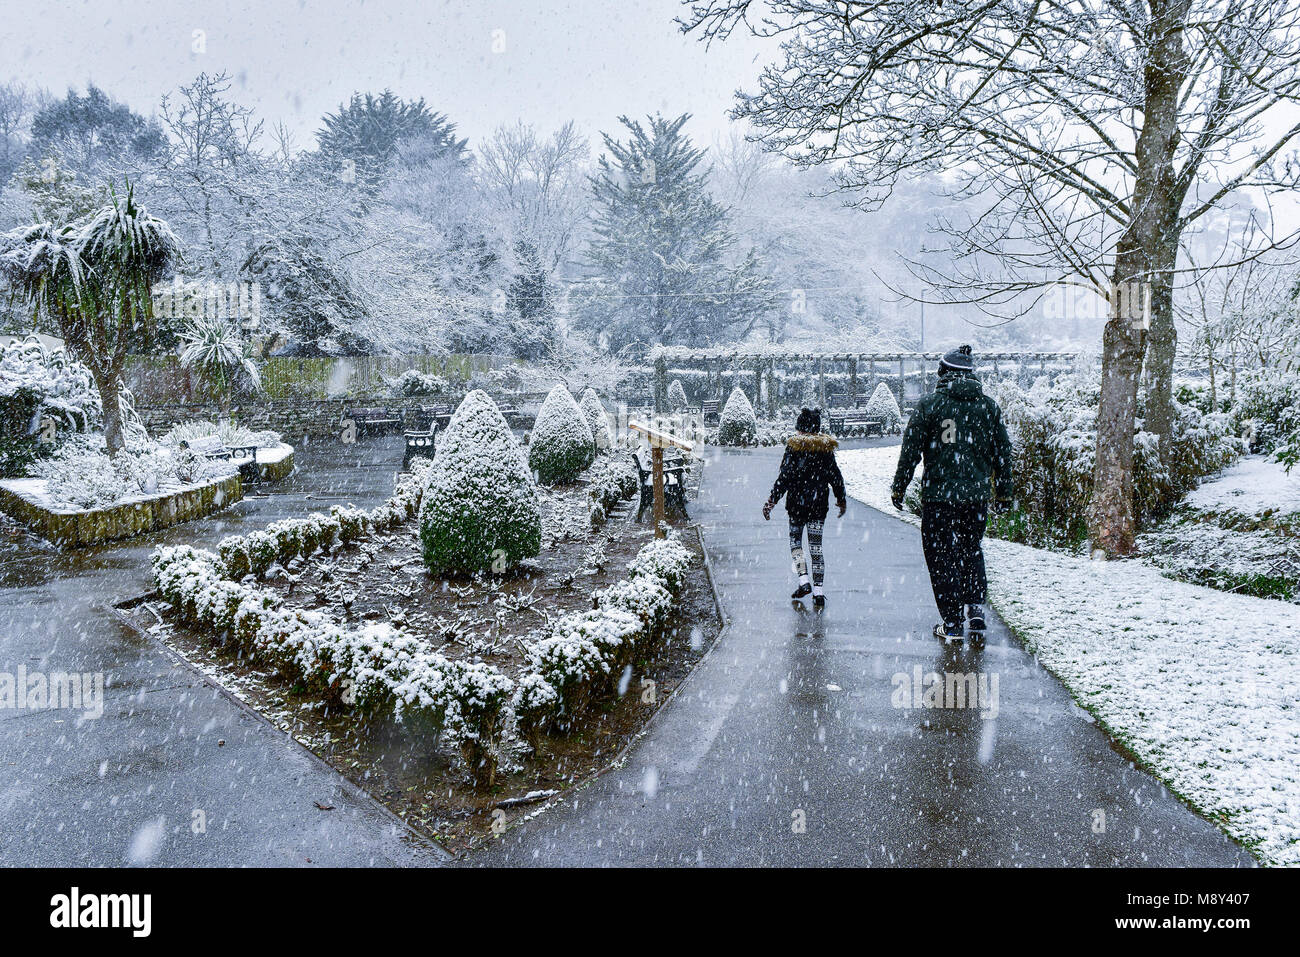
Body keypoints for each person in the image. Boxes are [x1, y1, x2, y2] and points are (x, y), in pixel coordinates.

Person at [891, 345, 1013, 643]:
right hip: (976, 498)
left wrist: (899, 486)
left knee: (941, 556)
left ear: (944, 373)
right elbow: (1003, 453)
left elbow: (910, 451)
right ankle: (975, 609)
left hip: (939, 498)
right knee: (971, 548)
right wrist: (1004, 493)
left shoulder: (930, 406)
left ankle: (953, 623)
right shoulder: (988, 407)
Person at [763, 408, 847, 609]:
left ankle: (803, 581)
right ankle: (818, 592)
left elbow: (784, 478)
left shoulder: (793, 448)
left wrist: (771, 501)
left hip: (796, 506)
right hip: (818, 506)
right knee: (816, 548)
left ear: (801, 428)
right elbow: (835, 476)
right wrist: (841, 498)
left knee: (796, 544)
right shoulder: (825, 449)